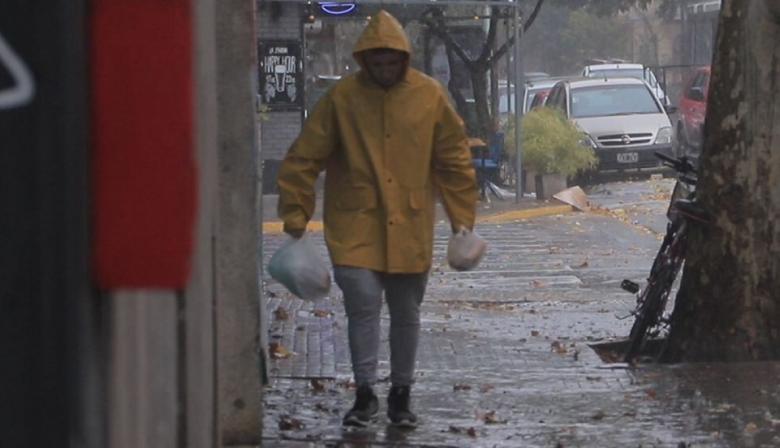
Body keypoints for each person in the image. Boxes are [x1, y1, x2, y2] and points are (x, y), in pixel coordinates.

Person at [276, 10, 478, 428]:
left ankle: (401, 393)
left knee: (406, 312)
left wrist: (463, 220)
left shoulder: (429, 96)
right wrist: (295, 218)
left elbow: (454, 160)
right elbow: (304, 157)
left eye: (391, 61)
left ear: (403, 58)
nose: (385, 69)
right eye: (377, 62)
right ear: (365, 60)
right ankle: (365, 392)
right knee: (362, 305)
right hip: (355, 225)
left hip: (410, 224)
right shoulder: (342, 99)